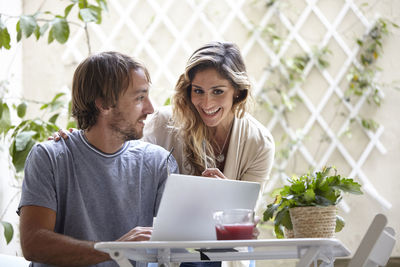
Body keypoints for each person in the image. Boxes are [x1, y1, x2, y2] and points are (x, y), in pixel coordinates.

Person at [18, 51, 178, 267]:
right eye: (139, 98)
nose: (150, 108)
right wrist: (114, 249)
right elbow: (34, 244)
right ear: (103, 104)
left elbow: (184, 240)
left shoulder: (158, 163)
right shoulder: (50, 157)